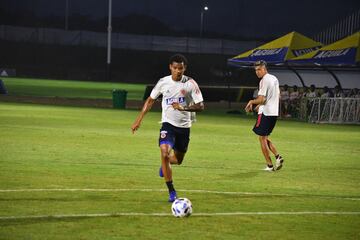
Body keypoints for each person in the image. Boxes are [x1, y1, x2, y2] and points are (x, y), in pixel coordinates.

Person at [131, 54, 204, 202]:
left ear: (185, 69)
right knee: (164, 153)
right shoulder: (163, 82)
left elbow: (201, 106)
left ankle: (165, 165)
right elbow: (150, 100)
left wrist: (183, 107)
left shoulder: (190, 83)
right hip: (167, 125)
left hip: (184, 127)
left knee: (177, 160)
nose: (178, 71)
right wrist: (138, 120)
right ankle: (172, 191)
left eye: (181, 68)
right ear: (170, 67)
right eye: (175, 68)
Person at [245, 60, 283, 172]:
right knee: (264, 138)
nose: (257, 72)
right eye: (256, 70)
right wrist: (260, 105)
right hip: (273, 113)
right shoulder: (274, 78)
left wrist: (252, 102)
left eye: (259, 69)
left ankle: (270, 166)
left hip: (266, 113)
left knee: (262, 139)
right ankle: (278, 157)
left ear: (265, 69)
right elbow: (276, 96)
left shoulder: (264, 80)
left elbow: (261, 98)